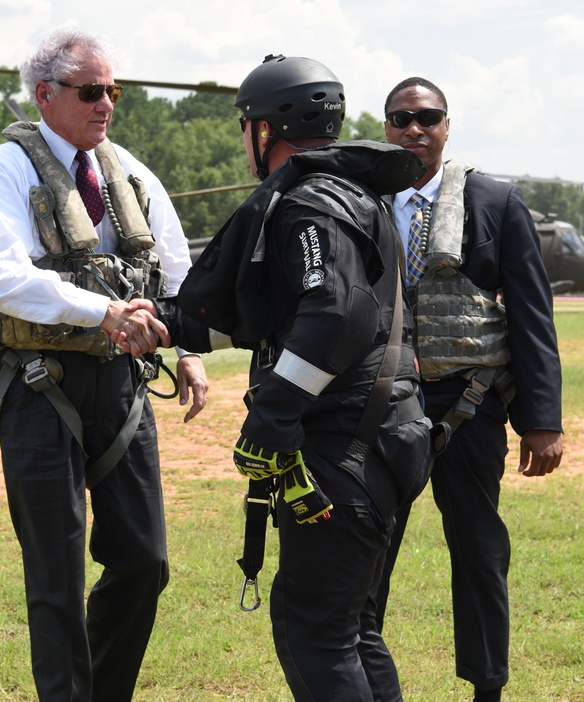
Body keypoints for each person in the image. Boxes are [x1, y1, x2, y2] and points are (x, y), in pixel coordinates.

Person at [124, 55, 435, 701]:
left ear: (264, 130)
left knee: (314, 633)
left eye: (246, 128)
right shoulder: (351, 193)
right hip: (381, 440)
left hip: (342, 450)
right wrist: (170, 325)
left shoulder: (309, 203)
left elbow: (339, 314)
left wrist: (274, 412)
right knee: (352, 631)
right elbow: (277, 315)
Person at [0, 26, 208, 702]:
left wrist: (187, 350)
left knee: (144, 561)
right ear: (45, 94)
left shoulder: (127, 169)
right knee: (56, 574)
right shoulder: (3, 168)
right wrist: (101, 313)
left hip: (122, 386)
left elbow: (179, 271)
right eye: (91, 91)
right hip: (38, 385)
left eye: (113, 92)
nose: (106, 105)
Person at [376, 76, 564, 702]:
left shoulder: (494, 202)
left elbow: (533, 315)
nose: (414, 129)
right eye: (402, 118)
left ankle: (488, 687)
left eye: (427, 117)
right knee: (366, 549)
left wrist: (542, 419)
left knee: (480, 554)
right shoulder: (362, 199)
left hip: (470, 405)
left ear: (447, 125)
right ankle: (357, 675)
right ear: (386, 128)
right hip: (379, 408)